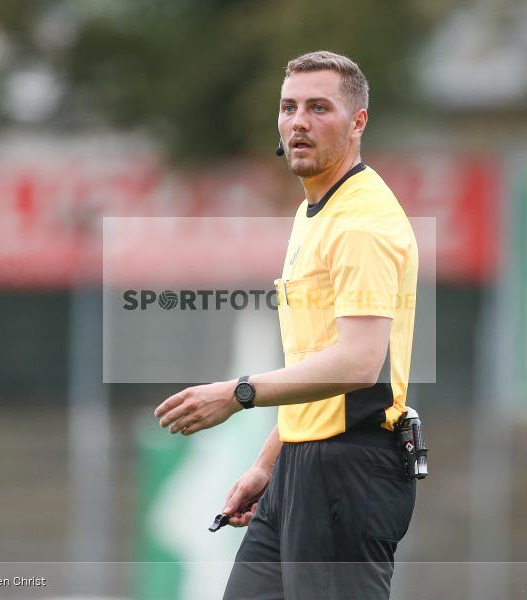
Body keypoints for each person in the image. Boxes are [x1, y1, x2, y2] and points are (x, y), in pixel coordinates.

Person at [154, 50, 419, 600]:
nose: (299, 122)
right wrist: (269, 462)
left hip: (350, 470)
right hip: (300, 465)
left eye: (319, 108)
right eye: (289, 107)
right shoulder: (313, 211)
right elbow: (315, 362)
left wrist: (238, 393)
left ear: (357, 122)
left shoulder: (362, 221)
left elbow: (358, 363)